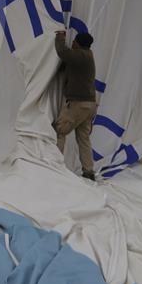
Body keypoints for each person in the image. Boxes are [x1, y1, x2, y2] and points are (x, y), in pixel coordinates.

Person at [53, 30, 97, 180]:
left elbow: (63, 52)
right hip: (89, 104)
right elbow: (69, 66)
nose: (72, 43)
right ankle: (89, 171)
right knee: (83, 138)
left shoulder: (82, 55)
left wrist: (60, 36)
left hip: (79, 103)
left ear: (78, 43)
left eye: (74, 41)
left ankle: (55, 165)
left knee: (60, 130)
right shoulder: (87, 56)